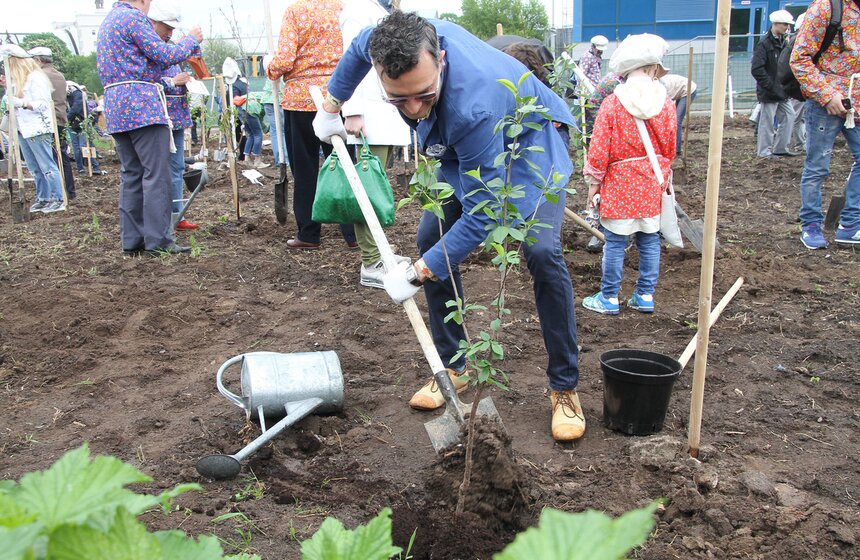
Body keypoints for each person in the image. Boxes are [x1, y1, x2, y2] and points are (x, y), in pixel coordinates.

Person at [316, 12, 585, 441]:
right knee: (432, 236)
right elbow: (357, 50)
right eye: (399, 99)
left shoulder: (472, 104)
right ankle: (455, 366)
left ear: (440, 59)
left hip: (529, 143)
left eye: (423, 94)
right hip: (465, 146)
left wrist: (418, 272)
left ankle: (564, 387)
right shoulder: (386, 40)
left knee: (540, 251)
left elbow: (483, 213)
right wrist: (332, 106)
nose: (414, 109)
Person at [96, 0, 203, 255]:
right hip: (142, 106)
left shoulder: (108, 22)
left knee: (131, 174)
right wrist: (191, 40)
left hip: (116, 107)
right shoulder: (133, 18)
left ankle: (132, 241)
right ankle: (158, 241)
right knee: (156, 174)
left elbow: (145, 60)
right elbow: (164, 55)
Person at [581, 34, 676, 315]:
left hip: (619, 180)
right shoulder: (666, 103)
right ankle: (645, 295)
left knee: (614, 241)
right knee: (649, 239)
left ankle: (609, 297)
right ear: (652, 68)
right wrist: (664, 174)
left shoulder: (612, 103)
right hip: (651, 178)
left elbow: (599, 147)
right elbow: (670, 146)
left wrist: (594, 182)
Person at [265, 0, 356, 250]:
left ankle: (308, 233)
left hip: (300, 100)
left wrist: (269, 66)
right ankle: (353, 233)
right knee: (345, 166)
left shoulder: (296, 11)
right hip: (337, 96)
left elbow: (284, 60)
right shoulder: (343, 10)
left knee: (305, 169)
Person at [340, 0, 412, 288]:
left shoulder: (383, 9)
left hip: (385, 114)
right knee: (367, 189)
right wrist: (352, 110)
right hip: (370, 117)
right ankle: (371, 262)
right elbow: (350, 61)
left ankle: (380, 252)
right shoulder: (357, 11)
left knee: (377, 187)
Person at [791, 0, 860, 247]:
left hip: (858, 101)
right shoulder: (826, 8)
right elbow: (799, 58)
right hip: (825, 103)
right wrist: (827, 95)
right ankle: (811, 225)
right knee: (818, 166)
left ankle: (850, 224)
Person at [148, 0, 199, 231]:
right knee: (158, 170)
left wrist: (186, 82)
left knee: (177, 167)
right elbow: (145, 83)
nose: (169, 33)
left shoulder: (171, 49)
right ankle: (160, 219)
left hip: (177, 117)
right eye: (166, 27)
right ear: (153, 23)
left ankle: (177, 215)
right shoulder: (148, 48)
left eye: (172, 29)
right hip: (157, 117)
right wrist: (172, 81)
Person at [2, 45, 66, 213]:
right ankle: (43, 198)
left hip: (37, 128)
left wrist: (22, 103)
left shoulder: (36, 78)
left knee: (46, 165)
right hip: (22, 128)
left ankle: (58, 198)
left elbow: (43, 104)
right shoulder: (18, 80)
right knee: (34, 167)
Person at [28, 46, 76, 200]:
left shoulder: (40, 76)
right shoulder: (59, 75)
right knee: (62, 157)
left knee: (51, 159)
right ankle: (69, 191)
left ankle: (57, 193)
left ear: (38, 60)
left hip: (48, 121)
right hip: (61, 119)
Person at [751, 10, 797, 158]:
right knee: (767, 122)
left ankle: (780, 148)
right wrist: (771, 86)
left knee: (790, 116)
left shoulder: (783, 41)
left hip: (781, 89)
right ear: (775, 24)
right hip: (769, 91)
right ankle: (764, 152)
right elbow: (757, 69)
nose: (786, 27)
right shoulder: (764, 44)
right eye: (784, 24)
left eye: (787, 25)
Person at [66, 82, 107, 175]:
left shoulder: (77, 94)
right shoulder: (63, 96)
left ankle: (95, 167)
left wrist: (66, 118)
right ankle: (80, 169)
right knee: (76, 148)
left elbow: (76, 108)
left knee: (85, 146)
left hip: (82, 123)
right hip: (71, 124)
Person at [661, 74, 697, 154]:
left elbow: (666, 107)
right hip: (678, 90)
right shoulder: (655, 86)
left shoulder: (663, 89)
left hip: (688, 90)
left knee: (676, 120)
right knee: (671, 120)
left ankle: (677, 149)